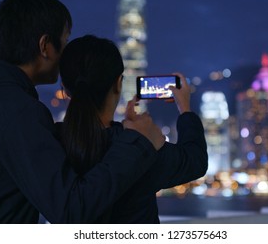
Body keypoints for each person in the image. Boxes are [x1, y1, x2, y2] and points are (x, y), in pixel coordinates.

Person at [0, 0, 165, 223]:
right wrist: (137, 143)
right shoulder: (16, 111)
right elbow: (71, 209)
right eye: (64, 41)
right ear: (45, 46)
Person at [59, 35, 208, 223]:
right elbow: (195, 161)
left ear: (64, 88)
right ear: (118, 84)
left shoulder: (51, 142)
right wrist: (185, 108)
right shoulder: (139, 146)